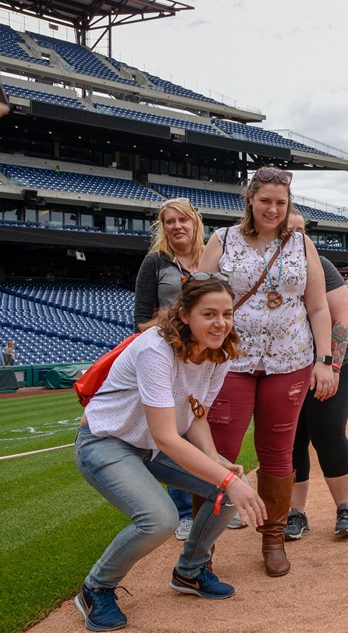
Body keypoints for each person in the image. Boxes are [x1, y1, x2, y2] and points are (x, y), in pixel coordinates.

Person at [73, 276, 266, 632]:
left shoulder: (219, 352)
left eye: (227, 313)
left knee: (226, 487)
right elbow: (166, 437)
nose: (221, 323)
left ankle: (189, 572)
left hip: (151, 444)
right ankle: (95, 587)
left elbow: (195, 415)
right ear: (185, 314)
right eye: (209, 313)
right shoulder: (155, 349)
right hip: (106, 441)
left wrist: (217, 462)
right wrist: (221, 474)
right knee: (160, 519)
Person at [199, 165, 337, 578]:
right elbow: (198, 299)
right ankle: (201, 549)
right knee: (216, 455)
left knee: (278, 451)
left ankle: (273, 539)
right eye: (265, 201)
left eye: (281, 202)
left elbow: (317, 306)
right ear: (250, 201)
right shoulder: (222, 240)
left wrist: (325, 361)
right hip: (230, 362)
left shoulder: (301, 244)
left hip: (289, 361)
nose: (273, 209)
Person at [134, 197, 229, 541]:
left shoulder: (213, 258)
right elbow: (142, 319)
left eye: (183, 220)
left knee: (205, 422)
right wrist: (179, 323)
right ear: (163, 227)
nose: (177, 227)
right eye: (169, 221)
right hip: (169, 356)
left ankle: (218, 496)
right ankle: (184, 512)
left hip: (205, 357)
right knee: (174, 430)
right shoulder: (155, 262)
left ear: (195, 223)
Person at [284, 211, 348, 541]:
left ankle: (344, 506)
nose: (298, 237)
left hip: (327, 362)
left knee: (328, 433)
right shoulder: (269, 269)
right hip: (284, 366)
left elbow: (342, 318)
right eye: (290, 230)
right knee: (291, 439)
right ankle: (295, 512)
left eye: (302, 231)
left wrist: (333, 365)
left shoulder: (322, 265)